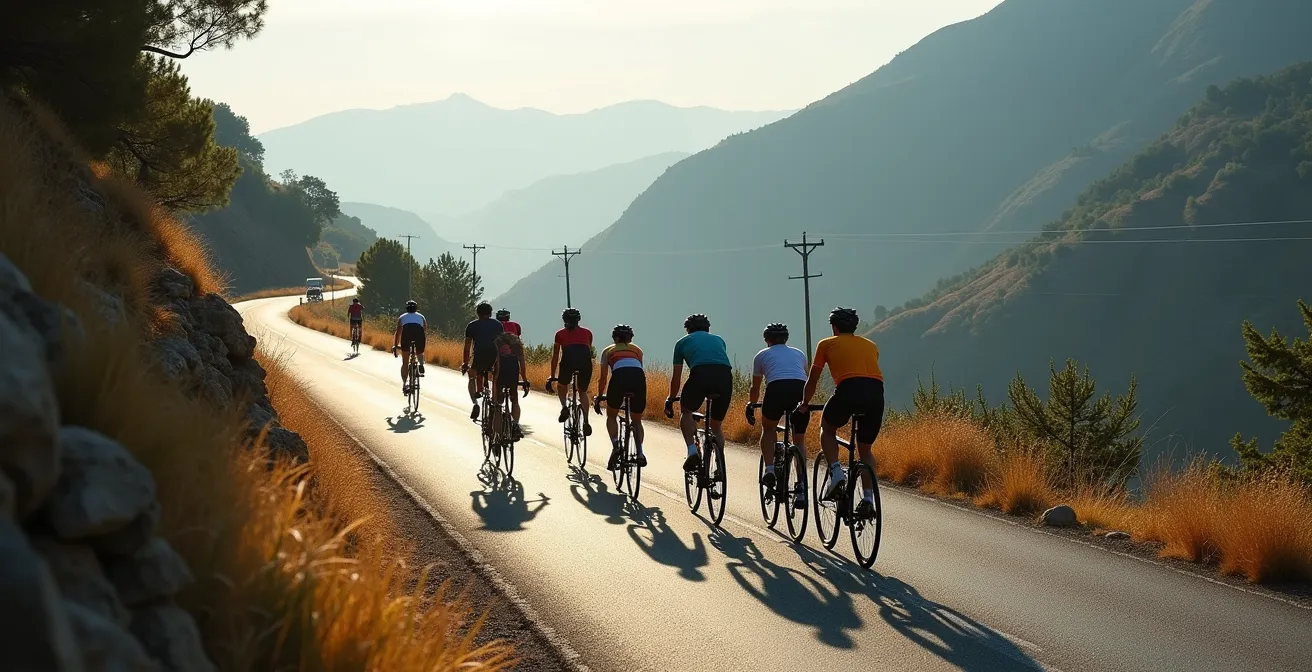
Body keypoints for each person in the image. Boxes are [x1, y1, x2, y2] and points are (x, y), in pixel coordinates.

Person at [796, 307, 885, 517]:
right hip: (876, 394)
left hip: (848, 390)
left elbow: (813, 379)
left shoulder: (826, 344)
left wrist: (805, 403)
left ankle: (836, 471)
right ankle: (868, 499)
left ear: (834, 327)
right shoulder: (870, 345)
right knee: (865, 450)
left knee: (827, 429)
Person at [746, 323, 809, 508]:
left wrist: (751, 404)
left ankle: (770, 469)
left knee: (768, 429)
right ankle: (801, 485)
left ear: (767, 340)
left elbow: (755, 387)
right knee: (799, 440)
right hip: (800, 391)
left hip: (776, 390)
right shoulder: (799, 353)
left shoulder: (761, 355)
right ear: (786, 339)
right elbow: (804, 377)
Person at [664, 313, 732, 473]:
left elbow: (676, 378)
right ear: (708, 328)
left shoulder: (681, 343)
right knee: (716, 425)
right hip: (725, 377)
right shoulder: (719, 340)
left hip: (701, 373)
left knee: (687, 411)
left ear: (688, 329)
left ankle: (692, 451)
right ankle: (720, 465)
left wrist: (671, 398)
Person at [595, 324, 647, 470]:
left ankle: (616, 445)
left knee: (611, 416)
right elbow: (638, 369)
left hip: (619, 378)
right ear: (630, 338)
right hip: (638, 379)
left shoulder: (608, 350)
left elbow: (603, 377)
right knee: (637, 421)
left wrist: (600, 396)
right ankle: (640, 453)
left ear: (614, 338)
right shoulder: (638, 350)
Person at [548, 308, 594, 435]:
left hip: (568, 360)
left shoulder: (559, 334)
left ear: (564, 320)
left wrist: (552, 376)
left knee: (562, 385)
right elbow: (588, 350)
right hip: (585, 362)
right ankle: (586, 421)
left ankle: (564, 407)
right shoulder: (588, 333)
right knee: (582, 391)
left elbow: (555, 356)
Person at [462, 303, 503, 420]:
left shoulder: (472, 325)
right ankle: (494, 402)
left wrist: (465, 363)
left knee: (472, 376)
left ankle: (475, 403)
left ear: (477, 313)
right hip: (494, 354)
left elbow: (467, 347)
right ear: (490, 313)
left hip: (479, 354)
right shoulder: (498, 325)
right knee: (495, 377)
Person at [490, 331, 528, 443]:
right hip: (513, 372)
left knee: (497, 406)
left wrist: (494, 394)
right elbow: (522, 364)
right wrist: (525, 380)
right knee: (514, 400)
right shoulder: (517, 343)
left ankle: (497, 437)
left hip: (501, 373)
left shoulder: (497, 342)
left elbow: (496, 368)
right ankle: (515, 424)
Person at [391, 300, 426, 394]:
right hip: (419, 335)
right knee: (420, 351)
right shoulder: (421, 317)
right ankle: (421, 364)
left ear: (406, 308)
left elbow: (398, 333)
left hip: (406, 336)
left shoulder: (402, 317)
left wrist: (396, 345)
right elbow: (424, 330)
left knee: (405, 362)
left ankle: (405, 384)